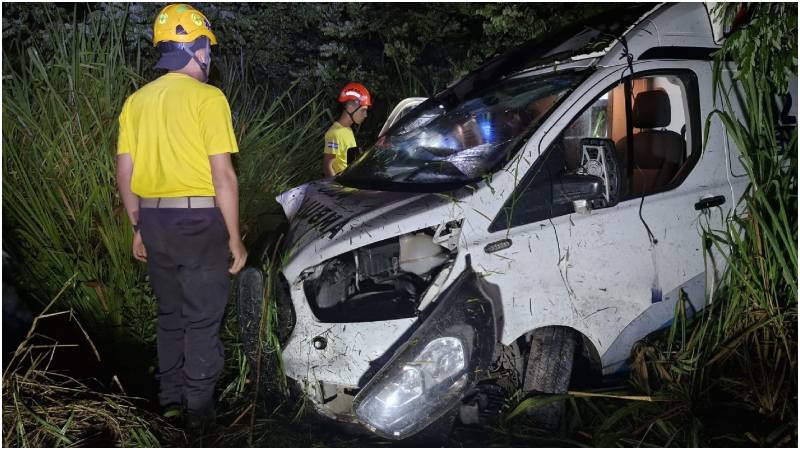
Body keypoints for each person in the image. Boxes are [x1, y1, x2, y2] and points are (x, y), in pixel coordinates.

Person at [115, 3, 246, 441]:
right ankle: (198, 413)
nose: (210, 56)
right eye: (206, 46)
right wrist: (235, 238)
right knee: (201, 320)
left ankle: (169, 404)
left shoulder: (136, 101)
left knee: (170, 315)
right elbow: (223, 175)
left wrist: (137, 226)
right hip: (199, 222)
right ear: (194, 47)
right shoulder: (209, 99)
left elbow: (125, 172)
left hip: (153, 221)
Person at [322, 82, 371, 177]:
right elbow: (327, 166)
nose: (366, 115)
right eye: (363, 110)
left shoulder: (348, 129)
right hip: (341, 187)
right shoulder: (334, 133)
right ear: (351, 107)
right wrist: (335, 188)